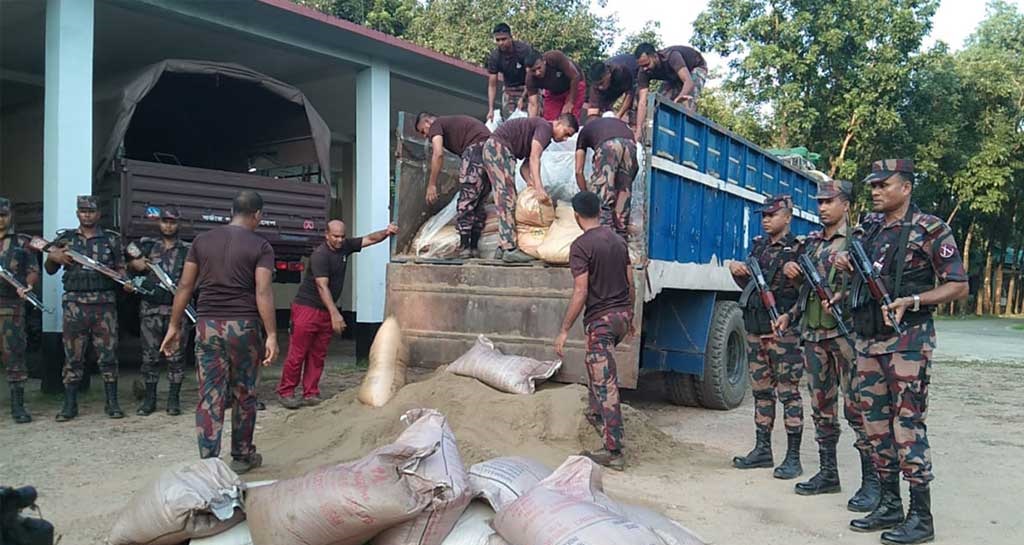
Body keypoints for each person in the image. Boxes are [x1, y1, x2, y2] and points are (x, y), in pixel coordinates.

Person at [834, 160, 967, 544]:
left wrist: (914, 298)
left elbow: (958, 285)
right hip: (867, 342)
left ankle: (920, 517)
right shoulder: (869, 229)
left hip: (907, 342)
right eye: (872, 185)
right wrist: (845, 265)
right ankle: (889, 504)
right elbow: (859, 279)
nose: (875, 191)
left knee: (906, 426)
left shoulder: (930, 229)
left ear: (905, 188)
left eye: (883, 185)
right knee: (874, 425)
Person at [777, 181, 880, 510]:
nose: (822, 207)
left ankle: (872, 483)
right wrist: (790, 309)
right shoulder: (811, 243)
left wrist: (848, 283)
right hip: (814, 335)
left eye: (829, 202)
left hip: (846, 335)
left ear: (846, 205)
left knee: (858, 409)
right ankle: (828, 473)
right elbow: (808, 292)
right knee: (822, 408)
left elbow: (873, 286)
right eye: (819, 202)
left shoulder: (860, 239)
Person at [160, 190, 279, 474]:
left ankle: (209, 461)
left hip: (207, 324)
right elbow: (263, 292)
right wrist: (272, 334)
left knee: (210, 393)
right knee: (244, 392)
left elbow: (185, 287)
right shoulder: (261, 246)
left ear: (231, 211)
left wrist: (174, 325)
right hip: (244, 326)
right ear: (258, 215)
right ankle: (241, 455)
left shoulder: (202, 241)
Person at [277, 220, 399, 409]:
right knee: (297, 353)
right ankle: (286, 392)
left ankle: (311, 392)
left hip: (326, 311)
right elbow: (321, 286)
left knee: (318, 354)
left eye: (342, 236)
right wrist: (335, 314)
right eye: (335, 236)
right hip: (307, 308)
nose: (340, 240)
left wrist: (387, 232)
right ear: (326, 235)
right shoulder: (320, 255)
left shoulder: (345, 247)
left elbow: (369, 239)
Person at [554, 191, 634, 471]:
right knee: (596, 368)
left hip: (600, 320)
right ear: (600, 211)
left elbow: (580, 292)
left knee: (605, 381)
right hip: (621, 316)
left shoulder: (580, 246)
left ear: (576, 216)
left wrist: (564, 330)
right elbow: (630, 281)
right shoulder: (618, 240)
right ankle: (596, 414)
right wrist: (631, 316)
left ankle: (614, 450)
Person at [728, 194, 805, 479]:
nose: (766, 220)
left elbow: (806, 292)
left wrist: (795, 278)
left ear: (788, 216)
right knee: (761, 391)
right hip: (755, 327)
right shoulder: (759, 247)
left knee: (788, 393)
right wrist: (738, 273)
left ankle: (793, 457)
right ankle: (763, 450)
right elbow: (749, 288)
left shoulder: (798, 249)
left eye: (772, 215)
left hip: (782, 331)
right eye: (764, 216)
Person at [45, 195, 132, 421]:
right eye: (83, 211)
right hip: (75, 306)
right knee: (73, 356)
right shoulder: (65, 240)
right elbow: (50, 269)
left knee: (108, 356)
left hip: (104, 307)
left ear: (98, 214)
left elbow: (121, 270)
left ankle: (112, 403)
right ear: (77, 213)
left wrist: (125, 280)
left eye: (91, 211)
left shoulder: (111, 240)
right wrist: (55, 257)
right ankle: (69, 405)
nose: (87, 215)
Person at [482, 115, 578, 263]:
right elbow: (534, 158)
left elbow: (525, 166)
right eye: (566, 133)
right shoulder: (545, 128)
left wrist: (531, 183)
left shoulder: (542, 132)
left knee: (507, 197)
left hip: (499, 150)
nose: (565, 139)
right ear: (558, 123)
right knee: (506, 199)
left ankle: (503, 247)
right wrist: (538, 188)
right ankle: (509, 249)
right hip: (498, 149)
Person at [126, 206, 191, 417]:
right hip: (150, 310)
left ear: (179, 224)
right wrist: (135, 266)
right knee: (149, 357)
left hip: (177, 311)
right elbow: (127, 264)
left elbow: (196, 279)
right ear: (159, 223)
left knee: (177, 358)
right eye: (165, 221)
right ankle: (150, 400)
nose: (169, 225)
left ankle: (173, 400)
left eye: (173, 222)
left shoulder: (187, 250)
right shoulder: (146, 246)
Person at [416, 112, 493, 258]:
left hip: (475, 149)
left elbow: (438, 154)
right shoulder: (451, 124)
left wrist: (432, 184)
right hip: (491, 151)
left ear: (427, 122)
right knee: (478, 202)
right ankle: (473, 248)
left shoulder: (436, 125)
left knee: (466, 200)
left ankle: (464, 247)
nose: (425, 136)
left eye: (423, 131)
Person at [0, 198, 39, 424]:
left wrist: (28, 285)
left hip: (10, 308)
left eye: (3, 215)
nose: (1, 220)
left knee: (15, 356)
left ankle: (18, 406)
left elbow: (33, 270)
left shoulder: (21, 243)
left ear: (10, 216)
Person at [573, 117, 638, 239]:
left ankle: (604, 239)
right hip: (631, 145)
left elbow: (578, 171)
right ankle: (621, 241)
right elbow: (631, 174)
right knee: (623, 197)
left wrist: (586, 194)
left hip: (609, 147)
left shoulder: (584, 131)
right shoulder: (617, 124)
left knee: (603, 199)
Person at [634, 43, 709, 138]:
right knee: (660, 104)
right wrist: (639, 129)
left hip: (694, 68)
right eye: (642, 66)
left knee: (686, 102)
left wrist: (680, 97)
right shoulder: (643, 71)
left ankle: (687, 136)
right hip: (673, 76)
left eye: (647, 64)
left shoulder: (671, 56)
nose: (645, 69)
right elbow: (642, 102)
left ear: (655, 56)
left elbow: (688, 82)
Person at [486, 23, 534, 121]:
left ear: (511, 37)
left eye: (504, 39)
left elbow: (531, 76)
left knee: (530, 118)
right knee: (510, 121)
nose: (501, 43)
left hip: (528, 86)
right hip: (510, 89)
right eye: (498, 40)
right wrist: (490, 109)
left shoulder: (523, 50)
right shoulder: (495, 57)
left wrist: (523, 97)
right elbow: (492, 85)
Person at [525, 50, 586, 121]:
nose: (537, 73)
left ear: (544, 61)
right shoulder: (530, 79)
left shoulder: (554, 57)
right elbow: (533, 104)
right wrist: (531, 124)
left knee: (568, 118)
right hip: (554, 92)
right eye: (533, 71)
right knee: (549, 121)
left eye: (539, 68)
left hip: (574, 85)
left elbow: (575, 77)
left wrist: (570, 102)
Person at [585, 54, 639, 124]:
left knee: (635, 105)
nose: (600, 87)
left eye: (601, 83)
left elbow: (629, 94)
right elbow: (592, 112)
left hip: (634, 71)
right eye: (597, 85)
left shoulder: (621, 71)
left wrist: (618, 116)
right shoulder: (595, 87)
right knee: (603, 110)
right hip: (613, 85)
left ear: (608, 74)